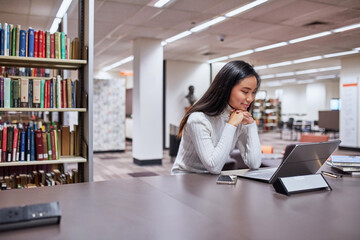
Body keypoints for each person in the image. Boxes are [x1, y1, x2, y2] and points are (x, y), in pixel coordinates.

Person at [171, 60, 262, 174]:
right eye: (245, 91)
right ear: (226, 88)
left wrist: (251, 125)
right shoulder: (198, 119)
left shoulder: (238, 116)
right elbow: (214, 166)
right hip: (185, 179)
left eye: (253, 92)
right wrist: (231, 125)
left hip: (210, 180)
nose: (250, 98)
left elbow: (254, 163)